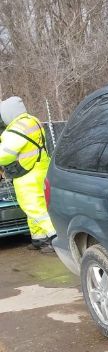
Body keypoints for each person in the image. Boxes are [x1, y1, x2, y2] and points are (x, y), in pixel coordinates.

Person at [0, 96, 56, 252]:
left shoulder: (16, 129)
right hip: (40, 168)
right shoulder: (32, 121)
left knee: (34, 207)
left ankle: (55, 239)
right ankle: (39, 239)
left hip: (27, 174)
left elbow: (4, 155)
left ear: (8, 113)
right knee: (36, 207)